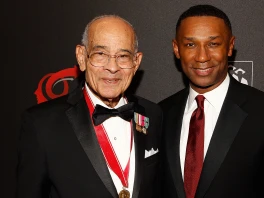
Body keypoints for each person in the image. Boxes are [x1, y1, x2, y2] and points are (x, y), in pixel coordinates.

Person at [159, 4, 264, 198]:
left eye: (213, 44)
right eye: (190, 45)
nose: (202, 56)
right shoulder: (161, 113)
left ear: (230, 46)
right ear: (176, 49)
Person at [17, 15, 162, 198]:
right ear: (81, 57)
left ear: (136, 62)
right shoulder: (41, 124)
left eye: (123, 56)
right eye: (100, 54)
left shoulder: (153, 114)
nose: (112, 67)